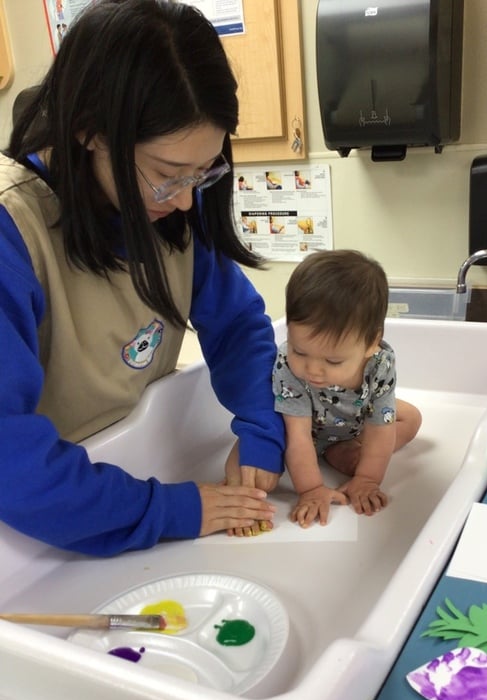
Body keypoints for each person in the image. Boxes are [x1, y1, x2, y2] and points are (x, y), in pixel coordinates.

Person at [0, 0, 284, 556]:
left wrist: (263, 430)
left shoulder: (176, 205)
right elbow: (9, 454)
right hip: (43, 521)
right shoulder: (13, 230)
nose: (183, 201)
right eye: (165, 175)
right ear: (89, 132)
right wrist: (172, 509)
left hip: (126, 463)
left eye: (203, 174)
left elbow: (239, 326)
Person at [273, 250, 422, 528]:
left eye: (332, 360)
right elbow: (299, 438)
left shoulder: (380, 363)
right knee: (264, 453)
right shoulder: (287, 365)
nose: (313, 370)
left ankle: (347, 454)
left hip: (350, 427)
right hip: (302, 434)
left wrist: (368, 479)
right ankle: (337, 454)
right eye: (299, 351)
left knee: (412, 418)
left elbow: (381, 427)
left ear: (371, 343)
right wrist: (311, 489)